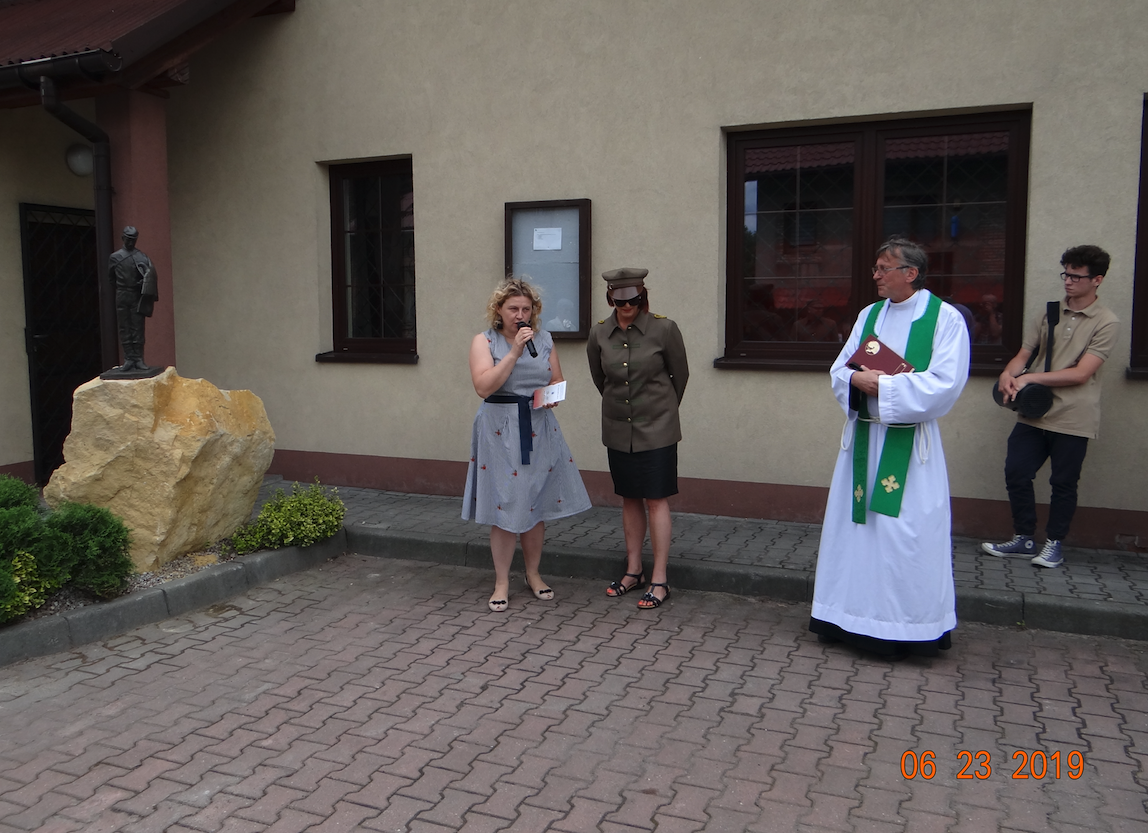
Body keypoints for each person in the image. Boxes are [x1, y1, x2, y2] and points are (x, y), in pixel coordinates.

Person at [810, 237, 970, 658]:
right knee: (857, 533)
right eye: (877, 268)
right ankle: (847, 618)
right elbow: (840, 366)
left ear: (910, 273)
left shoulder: (945, 320)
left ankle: (906, 627)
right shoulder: (870, 314)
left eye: (884, 268)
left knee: (905, 535)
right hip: (864, 439)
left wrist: (883, 384)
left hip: (908, 446)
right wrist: (852, 380)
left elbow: (946, 383)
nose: (876, 276)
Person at [981, 246, 1119, 568]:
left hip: (1074, 415)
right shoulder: (1049, 312)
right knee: (1016, 470)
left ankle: (1054, 544)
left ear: (1097, 280)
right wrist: (1008, 374)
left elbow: (1082, 372)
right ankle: (1024, 537)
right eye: (1066, 273)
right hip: (1034, 411)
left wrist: (1031, 380)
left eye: (1076, 275)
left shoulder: (1106, 322)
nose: (1068, 281)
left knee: (1063, 483)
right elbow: (1024, 353)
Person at [462, 277, 592, 612]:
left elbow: (556, 378)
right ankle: (502, 581)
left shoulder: (544, 339)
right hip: (499, 429)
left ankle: (533, 574)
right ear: (499, 310)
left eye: (526, 309)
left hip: (537, 425)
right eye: (513, 309)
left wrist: (553, 395)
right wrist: (515, 351)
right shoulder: (485, 341)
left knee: (534, 501)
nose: (521, 314)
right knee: (505, 503)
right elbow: (483, 386)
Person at [587, 267, 689, 609]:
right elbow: (600, 378)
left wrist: (660, 410)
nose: (626, 306)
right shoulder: (600, 333)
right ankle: (634, 571)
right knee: (629, 497)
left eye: (633, 300)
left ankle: (660, 579)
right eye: (619, 301)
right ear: (611, 299)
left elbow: (680, 375)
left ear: (642, 297)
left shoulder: (664, 328)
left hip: (658, 427)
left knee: (656, 499)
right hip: (619, 428)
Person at [107, 226, 160, 375]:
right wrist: (122, 287)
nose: (131, 243)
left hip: (136, 296)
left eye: (133, 240)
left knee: (137, 327)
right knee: (124, 326)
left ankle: (138, 359)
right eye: (128, 239)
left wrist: (142, 284)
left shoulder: (142, 257)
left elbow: (150, 275)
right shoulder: (115, 257)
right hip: (122, 294)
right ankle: (128, 359)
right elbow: (111, 278)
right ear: (123, 238)